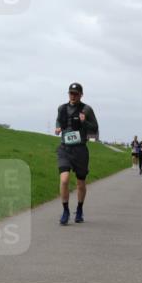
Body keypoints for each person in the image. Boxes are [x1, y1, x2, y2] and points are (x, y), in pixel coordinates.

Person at [55, 83, 99, 225]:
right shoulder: (62, 108)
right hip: (65, 149)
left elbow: (95, 128)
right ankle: (65, 211)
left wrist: (84, 121)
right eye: (70, 93)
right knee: (64, 180)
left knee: (80, 183)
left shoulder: (87, 109)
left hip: (80, 150)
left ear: (81, 95)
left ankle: (79, 209)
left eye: (75, 93)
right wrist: (57, 127)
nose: (72, 96)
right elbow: (59, 120)